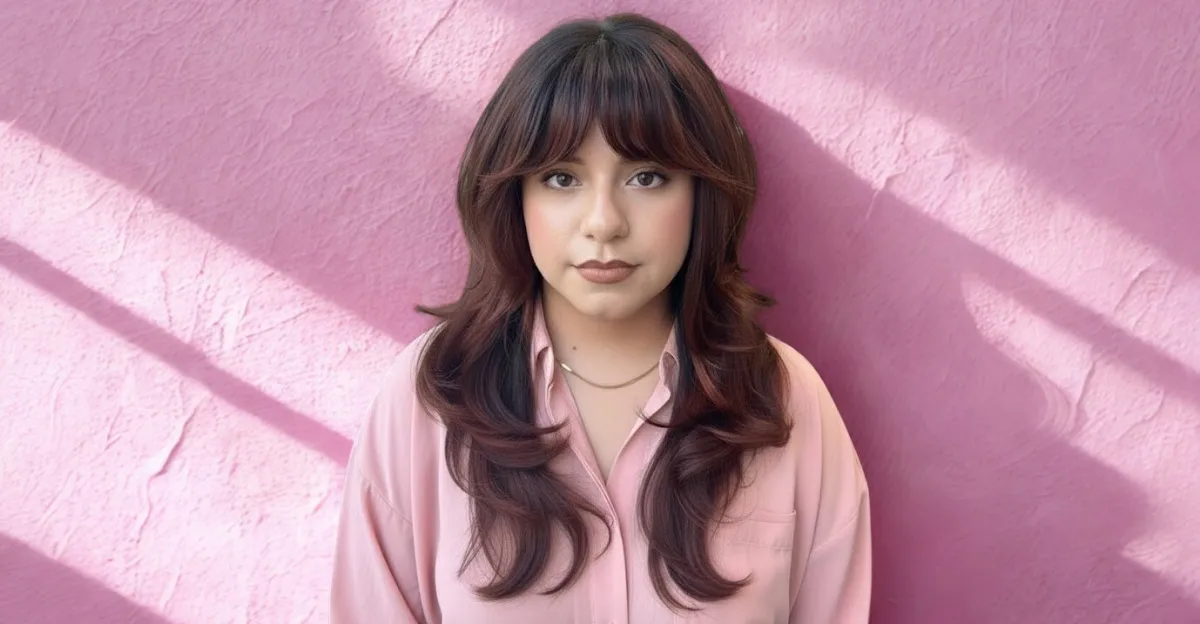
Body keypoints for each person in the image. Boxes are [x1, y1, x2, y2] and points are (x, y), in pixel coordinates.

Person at [331, 12, 871, 624]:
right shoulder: (432, 394)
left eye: (647, 177)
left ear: (701, 195)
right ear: (516, 197)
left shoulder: (783, 398)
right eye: (561, 177)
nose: (604, 221)